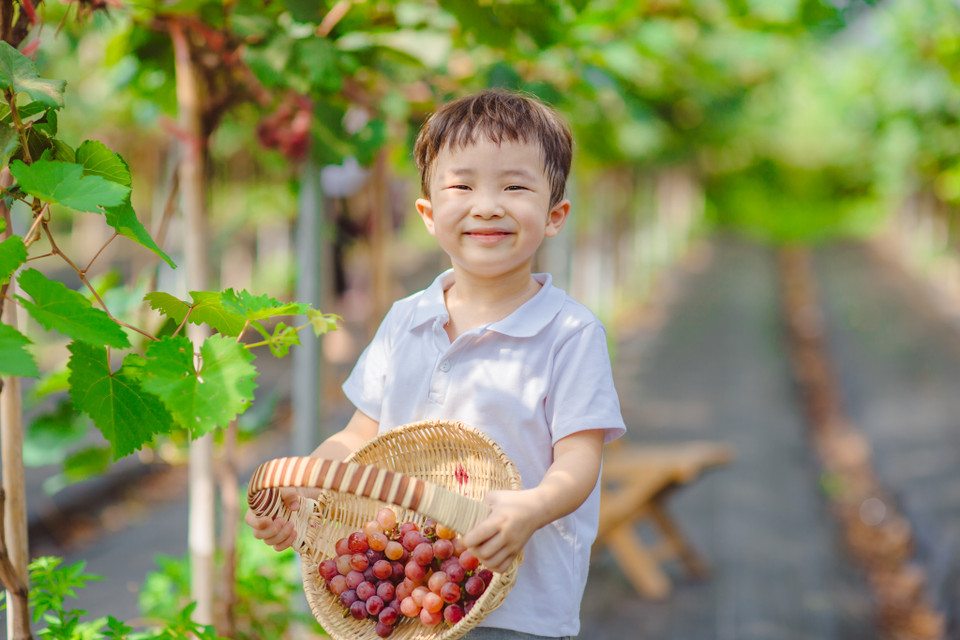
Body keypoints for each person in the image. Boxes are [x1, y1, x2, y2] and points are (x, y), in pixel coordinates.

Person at [246, 88, 626, 640]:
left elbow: (580, 461)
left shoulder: (569, 333)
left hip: (520, 610)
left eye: (515, 187)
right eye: (462, 186)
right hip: (408, 598)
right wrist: (306, 492)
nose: (487, 205)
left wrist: (531, 509)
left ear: (555, 215)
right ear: (427, 213)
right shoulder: (406, 319)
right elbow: (360, 435)